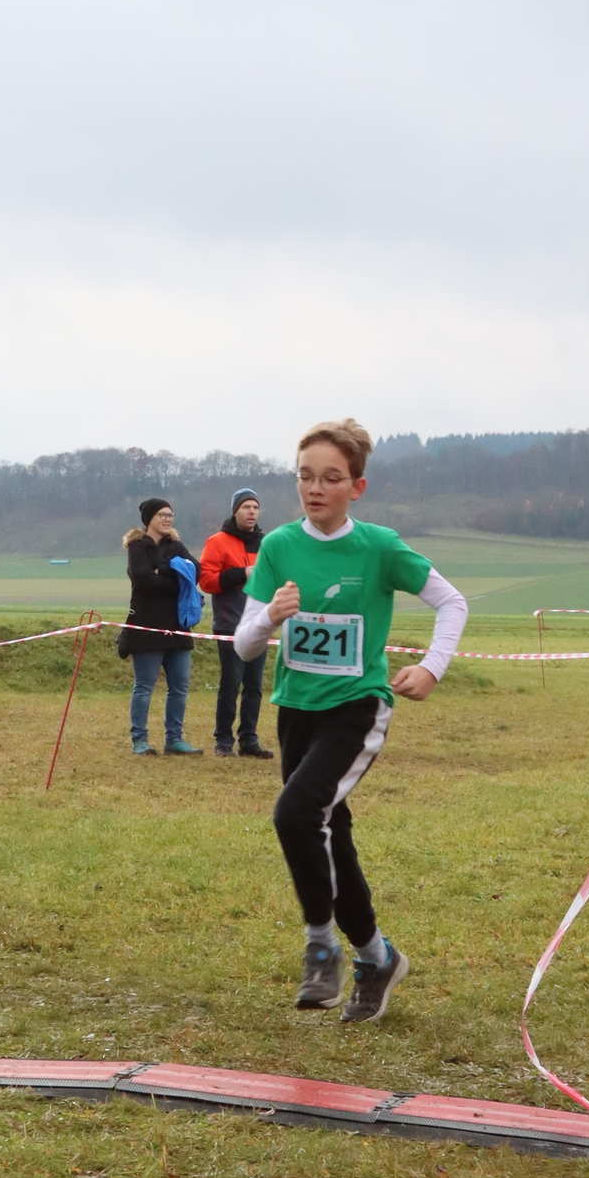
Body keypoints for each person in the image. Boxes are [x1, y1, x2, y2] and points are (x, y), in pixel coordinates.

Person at [235, 419, 468, 1021]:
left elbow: (451, 602)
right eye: (305, 476)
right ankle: (377, 957)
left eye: (331, 478)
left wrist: (432, 667)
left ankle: (321, 947)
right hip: (296, 709)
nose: (315, 488)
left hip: (358, 706)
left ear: (356, 487)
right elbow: (243, 645)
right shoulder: (278, 546)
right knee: (329, 832)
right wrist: (269, 618)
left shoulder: (380, 547)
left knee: (295, 813)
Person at [121, 499, 203, 755]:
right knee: (144, 686)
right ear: (149, 519)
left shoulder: (176, 545)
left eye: (170, 514)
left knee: (180, 687)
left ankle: (174, 739)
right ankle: (139, 739)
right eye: (162, 515)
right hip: (147, 627)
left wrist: (163, 571)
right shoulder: (137, 547)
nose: (168, 519)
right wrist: (177, 576)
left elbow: (196, 571)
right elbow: (143, 580)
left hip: (178, 627)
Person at [199, 486, 270, 758]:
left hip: (259, 625)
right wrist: (242, 573)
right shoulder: (217, 542)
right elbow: (207, 581)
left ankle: (249, 739)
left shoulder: (266, 544)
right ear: (235, 511)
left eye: (255, 507)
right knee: (231, 684)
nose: (252, 512)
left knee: (254, 686)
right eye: (246, 507)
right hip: (230, 624)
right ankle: (224, 740)